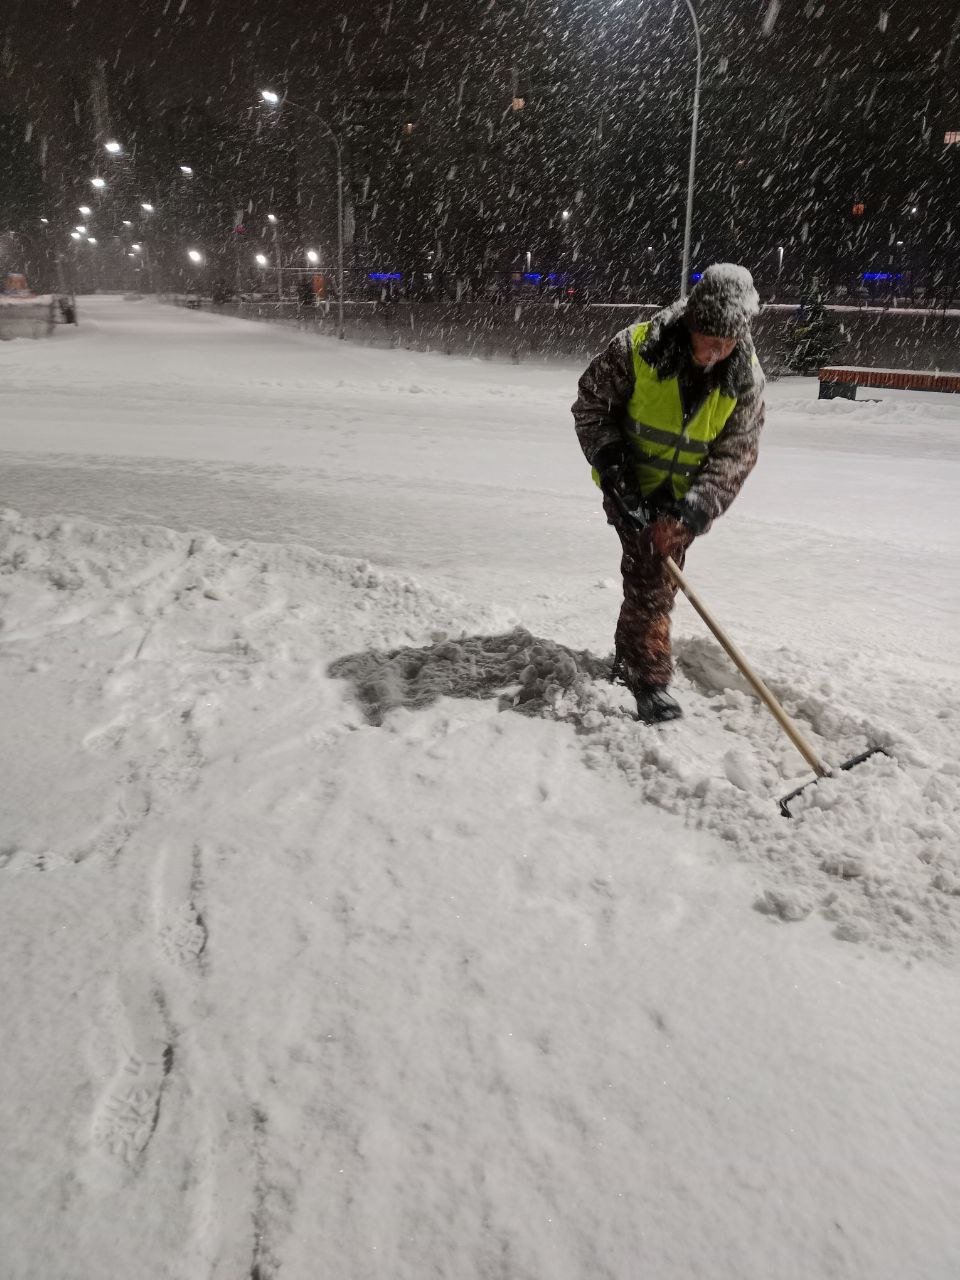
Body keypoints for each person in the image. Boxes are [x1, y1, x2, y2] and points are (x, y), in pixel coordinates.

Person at [572, 263, 765, 724]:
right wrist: (614, 469)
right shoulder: (638, 348)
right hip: (629, 485)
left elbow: (736, 453)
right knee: (653, 581)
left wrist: (693, 511)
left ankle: (629, 660)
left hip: (684, 500)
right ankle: (650, 682)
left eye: (728, 341)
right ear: (690, 323)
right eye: (708, 338)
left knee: (649, 580)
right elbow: (591, 405)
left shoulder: (745, 379)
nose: (716, 351)